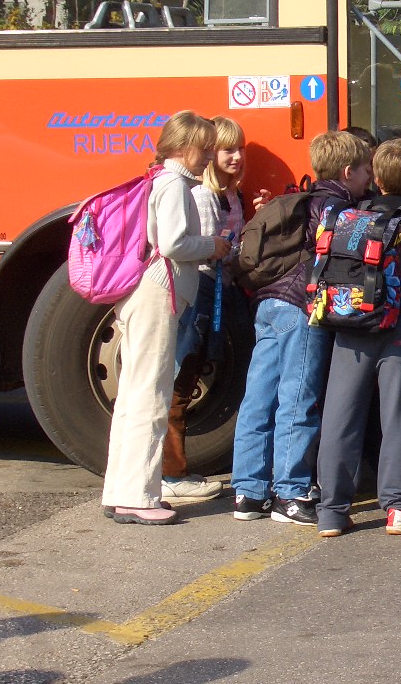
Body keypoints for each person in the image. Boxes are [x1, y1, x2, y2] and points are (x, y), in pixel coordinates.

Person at [229, 130, 372, 524]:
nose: (368, 179)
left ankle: (248, 491)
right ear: (347, 171)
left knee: (259, 396)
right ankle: (290, 493)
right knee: (297, 397)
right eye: (364, 171)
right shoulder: (336, 208)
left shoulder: (301, 199)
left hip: (269, 303)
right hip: (301, 308)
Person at [102, 111, 231, 525]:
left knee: (133, 394)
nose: (209, 155)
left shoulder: (159, 178)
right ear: (184, 146)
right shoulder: (175, 184)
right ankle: (139, 497)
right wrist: (214, 245)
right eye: (205, 146)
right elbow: (174, 243)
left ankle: (120, 491)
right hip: (159, 293)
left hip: (146, 292)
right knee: (151, 395)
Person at [314, 138, 401, 537]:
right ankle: (399, 506)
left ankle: (332, 511)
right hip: (400, 326)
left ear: (377, 175)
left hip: (350, 322)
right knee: (399, 418)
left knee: (340, 415)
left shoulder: (354, 215)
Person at [166, 115, 251, 504]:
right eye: (225, 150)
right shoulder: (200, 195)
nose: (235, 157)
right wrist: (224, 249)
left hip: (218, 291)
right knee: (180, 382)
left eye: (240, 149)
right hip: (202, 292)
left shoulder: (232, 195)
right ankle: (171, 471)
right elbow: (196, 247)